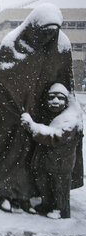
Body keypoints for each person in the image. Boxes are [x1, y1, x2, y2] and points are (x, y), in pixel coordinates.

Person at [0, 3, 82, 213]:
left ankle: (25, 194)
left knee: (33, 155)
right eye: (43, 32)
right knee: (9, 151)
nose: (46, 38)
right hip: (11, 111)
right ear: (34, 27)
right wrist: (15, 105)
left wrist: (58, 106)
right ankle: (4, 191)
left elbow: (65, 81)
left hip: (44, 110)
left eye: (52, 33)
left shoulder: (61, 47)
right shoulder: (12, 44)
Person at [21, 83, 83, 218]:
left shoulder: (70, 120)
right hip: (48, 162)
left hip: (61, 164)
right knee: (45, 185)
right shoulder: (52, 115)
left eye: (60, 98)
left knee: (60, 189)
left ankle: (61, 211)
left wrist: (32, 127)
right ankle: (48, 205)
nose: (55, 101)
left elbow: (55, 137)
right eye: (51, 97)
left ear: (66, 101)